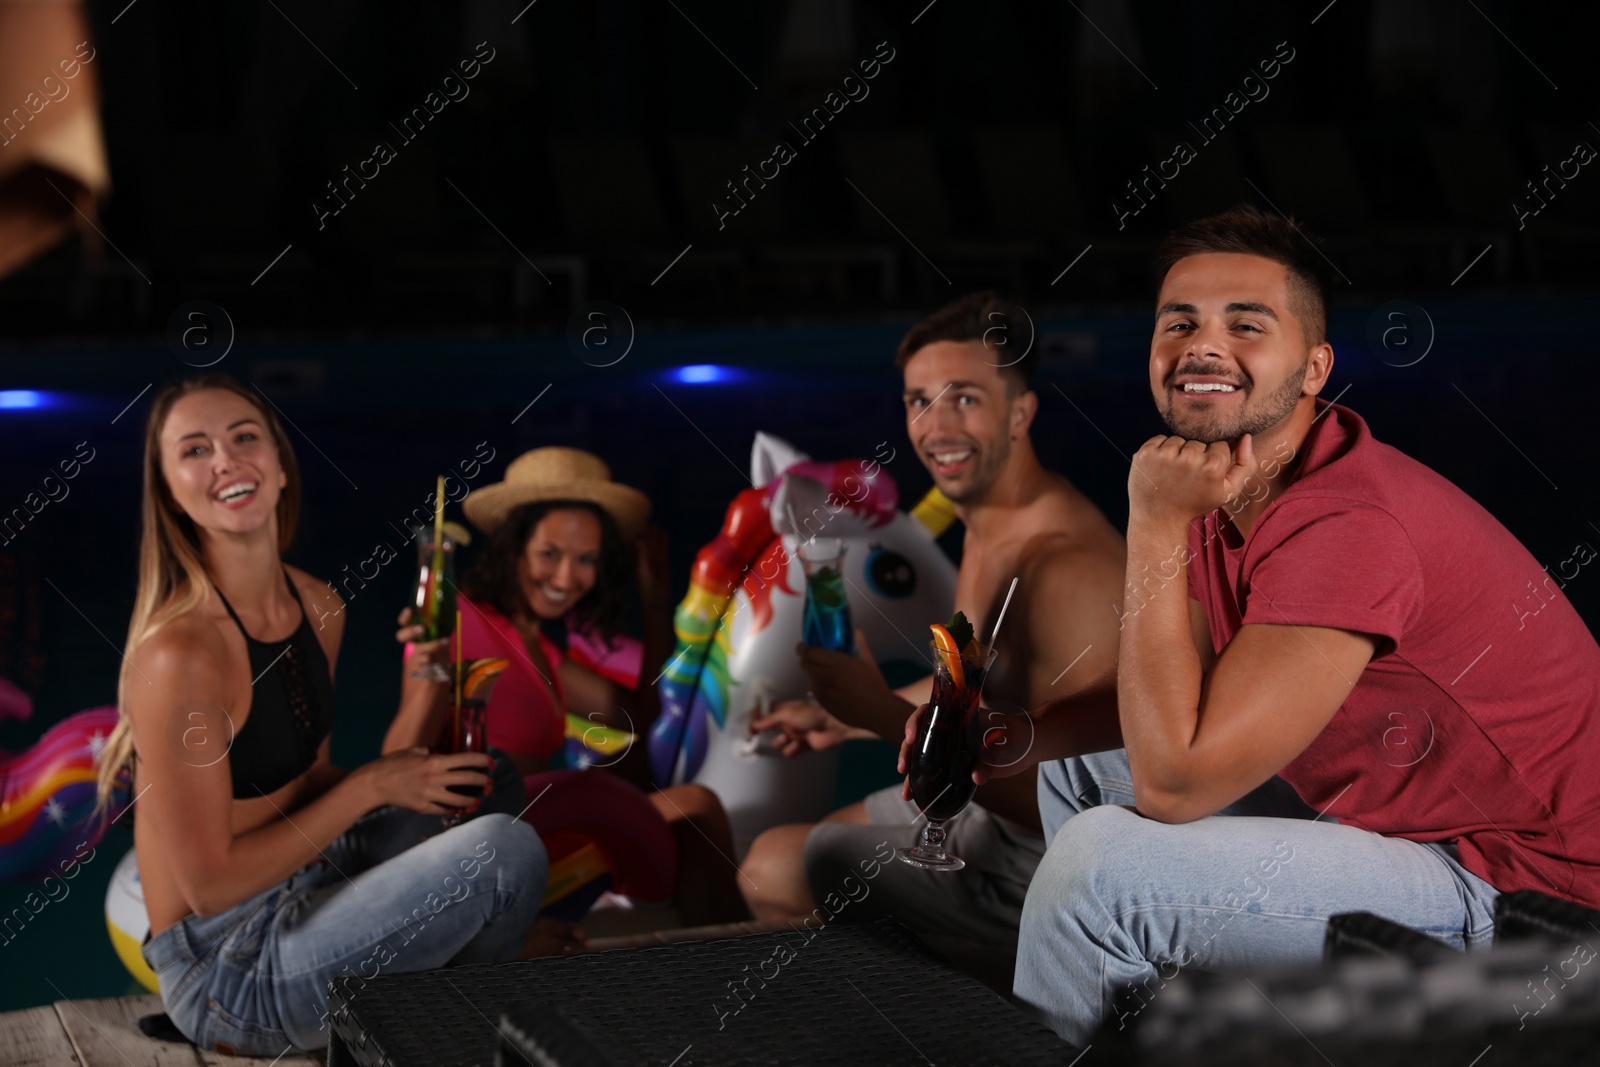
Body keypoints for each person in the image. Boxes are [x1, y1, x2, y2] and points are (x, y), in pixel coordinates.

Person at [948, 204, 1600, 1047]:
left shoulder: (1345, 525)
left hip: (1525, 890)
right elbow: (1172, 694)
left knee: (1100, 869)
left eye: (1245, 325)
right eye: (1178, 321)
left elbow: (1175, 782)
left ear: (1315, 365)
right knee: (1078, 776)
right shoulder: (1231, 481)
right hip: (1404, 818)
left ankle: (1092, 975)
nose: (1202, 345)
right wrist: (1007, 734)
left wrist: (1151, 524)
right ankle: (1117, 1012)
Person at [92, 374, 552, 1057]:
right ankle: (457, 1017)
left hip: (309, 878)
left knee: (487, 781)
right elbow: (210, 885)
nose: (225, 459)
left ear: (279, 466)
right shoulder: (180, 654)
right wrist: (372, 786)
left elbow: (308, 783)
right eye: (194, 450)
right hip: (228, 967)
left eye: (244, 437)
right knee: (504, 853)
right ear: (170, 493)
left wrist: (414, 719)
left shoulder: (319, 604)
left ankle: (443, 999)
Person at [739, 292, 1127, 949]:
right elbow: (986, 687)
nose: (937, 427)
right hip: (996, 802)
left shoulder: (1063, 564)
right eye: (920, 401)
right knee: (786, 843)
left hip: (1062, 864)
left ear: (1020, 412)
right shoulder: (989, 519)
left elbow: (1077, 810)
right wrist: (842, 715)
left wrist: (879, 716)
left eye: (966, 398)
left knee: (775, 870)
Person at [390, 447, 749, 926]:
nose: (566, 577)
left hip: (549, 816)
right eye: (549, 554)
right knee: (697, 807)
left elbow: (638, 718)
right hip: (492, 831)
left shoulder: (539, 647)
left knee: (681, 802)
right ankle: (735, 967)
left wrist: (654, 602)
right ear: (513, 546)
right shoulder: (459, 622)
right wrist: (428, 667)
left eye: (586, 560)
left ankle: (708, 961)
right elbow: (397, 758)